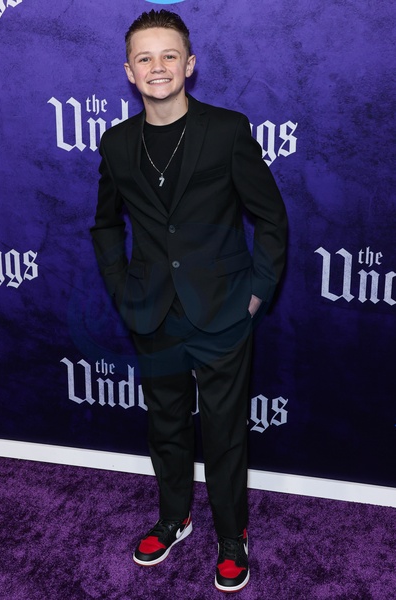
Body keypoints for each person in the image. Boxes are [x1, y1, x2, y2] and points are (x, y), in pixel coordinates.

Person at [90, 9, 287, 593]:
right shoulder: (116, 143)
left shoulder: (226, 130)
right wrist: (122, 288)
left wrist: (255, 294)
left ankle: (231, 536)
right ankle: (174, 518)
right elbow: (106, 224)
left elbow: (271, 218)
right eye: (145, 58)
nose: (158, 67)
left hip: (223, 308)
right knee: (166, 425)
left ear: (190, 64)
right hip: (152, 311)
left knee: (225, 432)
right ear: (129, 72)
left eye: (169, 55)